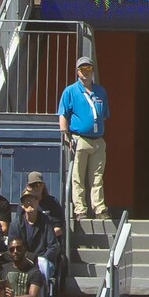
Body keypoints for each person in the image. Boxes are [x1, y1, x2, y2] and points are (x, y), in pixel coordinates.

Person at [58, 55, 109, 221]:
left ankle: (99, 208)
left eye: (88, 69)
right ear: (77, 72)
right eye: (82, 69)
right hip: (80, 139)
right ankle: (80, 209)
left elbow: (104, 115)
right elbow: (63, 114)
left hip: (98, 140)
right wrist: (65, 134)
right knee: (78, 176)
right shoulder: (70, 91)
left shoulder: (100, 91)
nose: (85, 72)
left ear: (92, 71)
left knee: (97, 177)